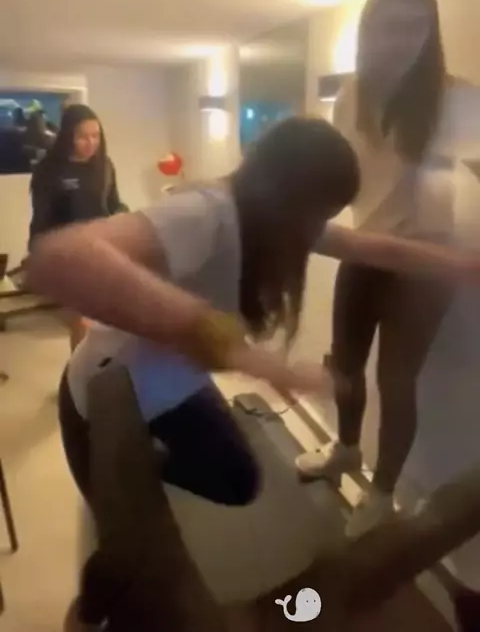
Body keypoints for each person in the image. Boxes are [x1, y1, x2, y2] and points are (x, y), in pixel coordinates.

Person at [28, 114, 480, 631]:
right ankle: (90, 609)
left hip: (171, 392)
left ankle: (155, 467)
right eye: (320, 211)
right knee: (125, 563)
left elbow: (374, 247)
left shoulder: (279, 220)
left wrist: (465, 264)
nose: (319, 227)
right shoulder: (205, 213)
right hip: (103, 408)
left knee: (238, 480)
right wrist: (234, 349)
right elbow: (58, 258)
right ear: (292, 192)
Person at [296, 0, 460, 538]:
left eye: (416, 27)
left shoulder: (457, 99)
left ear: (431, 33)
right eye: (391, 27)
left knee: (396, 380)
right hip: (366, 248)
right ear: (369, 31)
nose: (403, 40)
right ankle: (345, 450)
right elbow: (344, 174)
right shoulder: (351, 96)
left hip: (425, 267)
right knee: (344, 361)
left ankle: (383, 494)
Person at [29, 104, 126, 351]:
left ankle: (93, 370)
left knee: (108, 325)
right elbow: (41, 220)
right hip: (69, 257)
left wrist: (124, 217)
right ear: (68, 135)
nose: (90, 143)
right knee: (83, 323)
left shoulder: (105, 166)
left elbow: (113, 204)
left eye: (95, 136)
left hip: (103, 251)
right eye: (83, 136)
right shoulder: (49, 171)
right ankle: (78, 372)